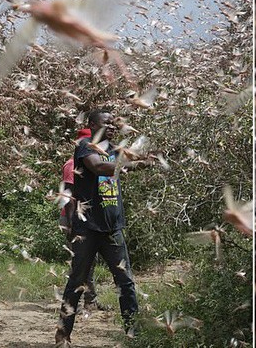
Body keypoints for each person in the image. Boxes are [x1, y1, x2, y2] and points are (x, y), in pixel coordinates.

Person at [55, 109, 150, 346]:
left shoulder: (115, 149)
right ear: (92, 124)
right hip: (87, 228)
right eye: (105, 122)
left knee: (126, 282)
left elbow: (134, 157)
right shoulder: (85, 146)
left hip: (112, 228)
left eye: (113, 123)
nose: (111, 125)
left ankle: (133, 334)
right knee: (77, 282)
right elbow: (98, 167)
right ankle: (63, 335)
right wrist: (134, 163)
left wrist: (147, 158)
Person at [59, 127, 108, 312]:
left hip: (87, 220)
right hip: (73, 220)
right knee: (80, 263)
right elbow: (68, 195)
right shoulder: (72, 165)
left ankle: (90, 300)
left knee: (89, 262)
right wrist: (72, 224)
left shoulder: (90, 162)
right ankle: (77, 304)